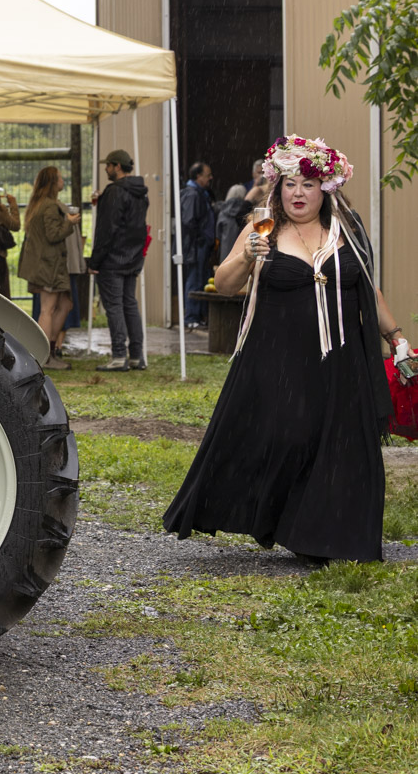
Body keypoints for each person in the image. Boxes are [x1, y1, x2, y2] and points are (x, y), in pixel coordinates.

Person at [164, 135, 406, 564]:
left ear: (325, 189)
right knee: (290, 437)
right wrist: (247, 257)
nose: (298, 193)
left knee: (342, 445)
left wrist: (396, 337)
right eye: (290, 183)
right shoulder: (263, 229)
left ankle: (322, 536)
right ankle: (274, 517)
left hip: (341, 359)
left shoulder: (345, 231)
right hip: (279, 361)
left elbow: (368, 289)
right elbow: (225, 283)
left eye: (308, 184)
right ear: (278, 187)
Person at [87, 149, 150, 371]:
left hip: (113, 259)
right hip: (132, 256)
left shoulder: (115, 192)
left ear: (117, 167)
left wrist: (94, 262)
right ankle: (136, 355)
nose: (106, 168)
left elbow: (107, 230)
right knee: (130, 305)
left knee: (114, 307)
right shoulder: (139, 192)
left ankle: (118, 356)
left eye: (109, 165)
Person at [17, 166, 79, 371]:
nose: (63, 180)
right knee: (48, 308)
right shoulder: (50, 206)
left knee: (65, 304)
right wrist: (69, 223)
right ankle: (45, 355)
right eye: (60, 178)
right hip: (49, 265)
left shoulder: (38, 204)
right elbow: (53, 235)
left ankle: (50, 350)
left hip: (47, 264)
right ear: (53, 182)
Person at [179, 161, 215, 328]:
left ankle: (197, 316)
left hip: (201, 246)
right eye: (208, 175)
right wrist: (201, 238)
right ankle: (191, 318)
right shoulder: (192, 194)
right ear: (198, 176)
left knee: (200, 280)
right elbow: (188, 222)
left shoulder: (201, 193)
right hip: (195, 247)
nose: (210, 178)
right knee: (194, 281)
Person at [215, 184, 251, 264]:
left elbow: (218, 232)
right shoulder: (246, 211)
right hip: (242, 248)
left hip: (225, 247)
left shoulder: (223, 211)